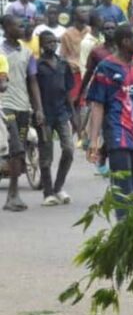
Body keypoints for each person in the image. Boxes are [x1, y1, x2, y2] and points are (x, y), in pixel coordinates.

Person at [86, 25, 133, 218]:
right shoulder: (106, 67)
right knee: (123, 188)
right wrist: (93, 141)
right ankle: (126, 230)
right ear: (126, 42)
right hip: (119, 135)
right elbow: (97, 105)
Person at [1, 15, 45, 212]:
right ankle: (13, 195)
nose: (23, 28)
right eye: (18, 25)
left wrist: (38, 109)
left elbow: (33, 81)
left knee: (19, 152)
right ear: (6, 28)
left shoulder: (27, 53)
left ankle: (12, 195)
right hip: (4, 106)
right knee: (17, 149)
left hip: (23, 107)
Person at [35, 31, 76, 206]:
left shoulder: (63, 64)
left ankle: (58, 186)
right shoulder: (37, 65)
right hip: (45, 114)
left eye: (54, 41)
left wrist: (73, 114)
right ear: (42, 45)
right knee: (46, 155)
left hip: (61, 112)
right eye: (48, 42)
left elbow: (67, 91)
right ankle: (48, 192)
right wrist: (37, 111)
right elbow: (33, 89)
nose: (52, 44)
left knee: (69, 149)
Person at [60, 7, 91, 105]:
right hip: (75, 73)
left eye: (86, 11)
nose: (86, 13)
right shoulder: (67, 34)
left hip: (90, 72)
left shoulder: (90, 31)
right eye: (83, 11)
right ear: (75, 16)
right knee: (75, 102)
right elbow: (63, 55)